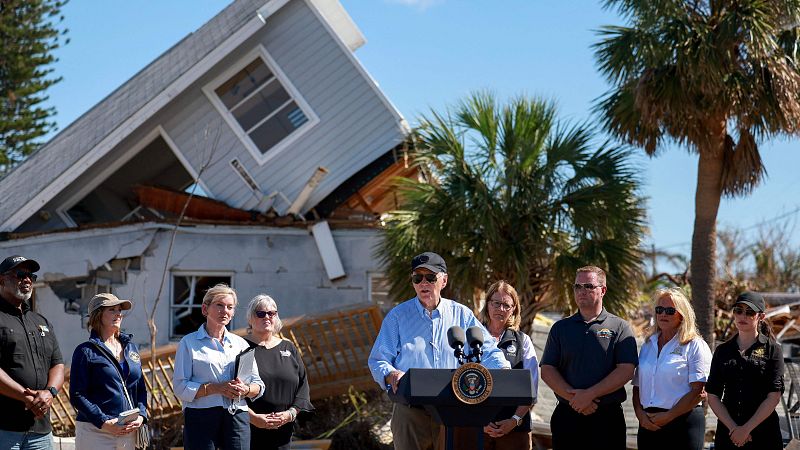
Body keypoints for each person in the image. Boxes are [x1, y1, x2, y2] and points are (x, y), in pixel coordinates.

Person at [368, 251, 511, 450]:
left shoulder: (461, 314)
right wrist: (389, 373)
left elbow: (488, 352)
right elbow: (378, 359)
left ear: (444, 281)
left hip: (454, 409)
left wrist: (504, 372)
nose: (423, 283)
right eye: (417, 278)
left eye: (430, 277)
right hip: (411, 411)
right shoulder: (397, 317)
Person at [539, 265, 638, 450]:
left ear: (603, 290)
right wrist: (575, 399)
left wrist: (589, 395)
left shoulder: (620, 327)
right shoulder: (560, 328)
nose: (581, 291)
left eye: (589, 286)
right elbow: (547, 369)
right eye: (577, 286)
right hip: (567, 416)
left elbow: (626, 370)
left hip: (607, 419)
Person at [173, 284, 265, 450]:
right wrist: (216, 388)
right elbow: (180, 388)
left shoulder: (241, 344)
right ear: (205, 309)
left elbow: (258, 385)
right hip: (201, 416)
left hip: (237, 415)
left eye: (230, 307)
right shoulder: (188, 343)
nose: (225, 311)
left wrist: (245, 390)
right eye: (219, 305)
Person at [632, 288, 711, 450]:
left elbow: (698, 391)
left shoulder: (695, 345)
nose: (663, 314)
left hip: (684, 422)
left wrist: (669, 416)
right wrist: (640, 416)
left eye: (670, 311)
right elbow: (637, 387)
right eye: (659, 310)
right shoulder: (647, 344)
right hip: (648, 423)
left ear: (682, 315)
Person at [0, 255, 65, 450]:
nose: (27, 279)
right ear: (2, 280)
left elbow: (57, 364)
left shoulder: (41, 321)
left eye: (31, 276)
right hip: (5, 430)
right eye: (20, 274)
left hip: (41, 432)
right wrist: (25, 397)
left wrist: (50, 393)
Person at [706, 292, 784, 450]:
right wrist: (734, 429)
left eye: (750, 312)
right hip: (729, 433)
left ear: (761, 317)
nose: (743, 316)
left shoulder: (773, 350)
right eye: (738, 310)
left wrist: (746, 429)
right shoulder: (722, 351)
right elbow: (713, 395)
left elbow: (774, 396)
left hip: (764, 434)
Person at [70, 293, 148, 449]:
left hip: (128, 430)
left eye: (119, 310)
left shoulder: (131, 348)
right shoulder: (85, 351)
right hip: (95, 431)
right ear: (98, 315)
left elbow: (140, 388)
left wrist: (141, 415)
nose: (118, 314)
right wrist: (103, 422)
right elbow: (77, 395)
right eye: (112, 310)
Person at [244, 294, 313, 450]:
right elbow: (233, 393)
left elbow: (303, 386)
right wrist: (254, 418)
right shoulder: (242, 348)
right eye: (260, 313)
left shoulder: (288, 347)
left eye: (271, 313)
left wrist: (290, 414)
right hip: (249, 432)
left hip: (283, 433)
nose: (267, 317)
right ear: (250, 318)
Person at [478, 280, 538, 450]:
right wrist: (479, 421)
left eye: (506, 305)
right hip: (476, 428)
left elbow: (531, 387)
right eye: (496, 303)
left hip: (515, 431)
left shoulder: (523, 341)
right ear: (487, 304)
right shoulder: (472, 337)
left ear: (514, 310)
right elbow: (460, 382)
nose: (501, 309)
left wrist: (514, 420)